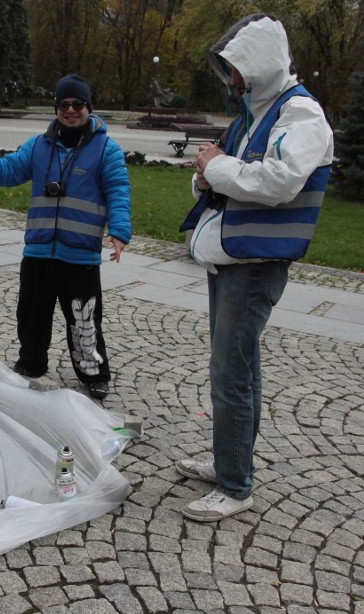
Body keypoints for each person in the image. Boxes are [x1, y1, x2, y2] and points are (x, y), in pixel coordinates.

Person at [178, 14, 333, 522]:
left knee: (231, 373)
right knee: (237, 369)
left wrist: (214, 167)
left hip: (256, 263)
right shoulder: (256, 112)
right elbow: (226, 173)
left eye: (236, 69)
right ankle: (230, 463)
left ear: (260, 64)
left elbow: (277, 181)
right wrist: (208, 175)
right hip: (233, 256)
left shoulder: (300, 114)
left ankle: (236, 485)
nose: (230, 79)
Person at [0, 74, 131, 400]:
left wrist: (119, 231)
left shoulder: (107, 149)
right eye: (64, 104)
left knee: (84, 319)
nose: (71, 110)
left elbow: (118, 191)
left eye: (78, 104)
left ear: (88, 107)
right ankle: (31, 363)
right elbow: (5, 171)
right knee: (31, 315)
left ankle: (93, 373)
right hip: (38, 252)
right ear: (56, 108)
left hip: (80, 255)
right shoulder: (39, 145)